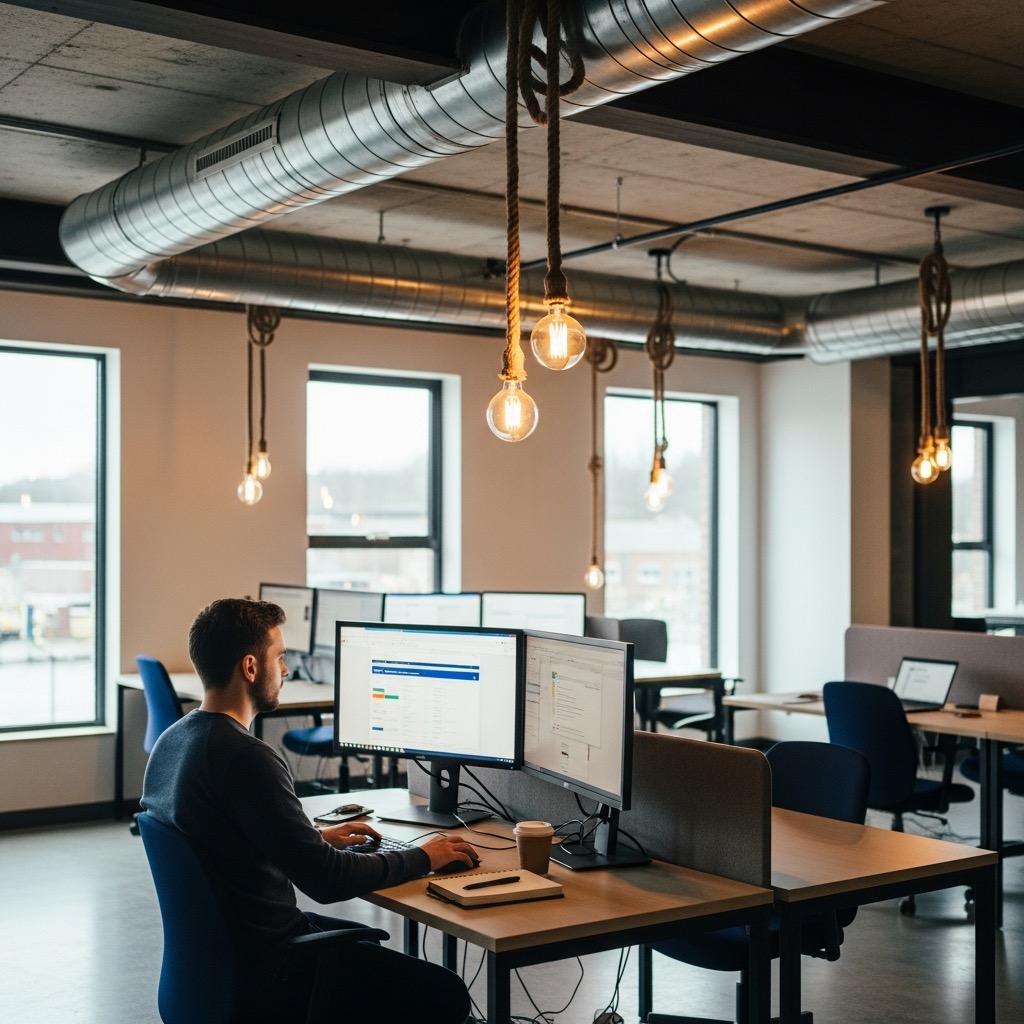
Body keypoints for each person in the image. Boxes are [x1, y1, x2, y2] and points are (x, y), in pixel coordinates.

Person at [141, 597, 477, 1024]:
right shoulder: (247, 758)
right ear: (250, 667)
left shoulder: (173, 742)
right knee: (443, 991)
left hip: (216, 965)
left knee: (366, 949)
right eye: (279, 658)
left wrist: (312, 839)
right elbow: (327, 879)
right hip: (272, 973)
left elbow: (220, 841)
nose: (284, 671)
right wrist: (424, 856)